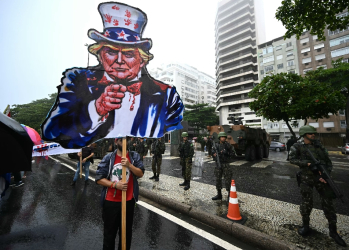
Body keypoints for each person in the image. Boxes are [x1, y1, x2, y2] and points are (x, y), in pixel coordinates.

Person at [41, 2, 184, 149]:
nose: (120, 60)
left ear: (142, 60)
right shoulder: (77, 79)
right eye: (111, 52)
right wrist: (96, 109)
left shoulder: (167, 95)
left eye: (129, 54)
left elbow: (173, 131)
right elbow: (52, 132)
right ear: (100, 55)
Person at [289, 125, 346, 247]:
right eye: (310, 133)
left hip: (320, 179)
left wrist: (325, 175)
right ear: (304, 135)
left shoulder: (319, 146)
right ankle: (305, 226)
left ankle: (333, 231)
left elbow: (328, 163)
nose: (313, 135)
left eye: (314, 133)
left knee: (328, 203)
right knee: (306, 203)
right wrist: (308, 164)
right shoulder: (297, 146)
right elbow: (292, 159)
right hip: (306, 178)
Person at [95, 138, 144, 250]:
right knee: (109, 235)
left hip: (128, 202)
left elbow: (140, 173)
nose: (125, 143)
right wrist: (115, 185)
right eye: (122, 140)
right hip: (111, 203)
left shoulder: (134, 156)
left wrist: (129, 165)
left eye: (127, 140)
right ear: (116, 142)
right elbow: (98, 179)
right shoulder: (109, 158)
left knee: (126, 236)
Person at [211, 132, 235, 201]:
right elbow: (212, 153)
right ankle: (219, 194)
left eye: (224, 137)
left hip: (226, 164)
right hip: (218, 164)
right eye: (222, 137)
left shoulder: (228, 145)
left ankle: (229, 195)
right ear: (219, 138)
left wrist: (227, 153)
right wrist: (214, 154)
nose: (223, 138)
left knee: (228, 180)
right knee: (218, 179)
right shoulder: (216, 145)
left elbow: (233, 154)